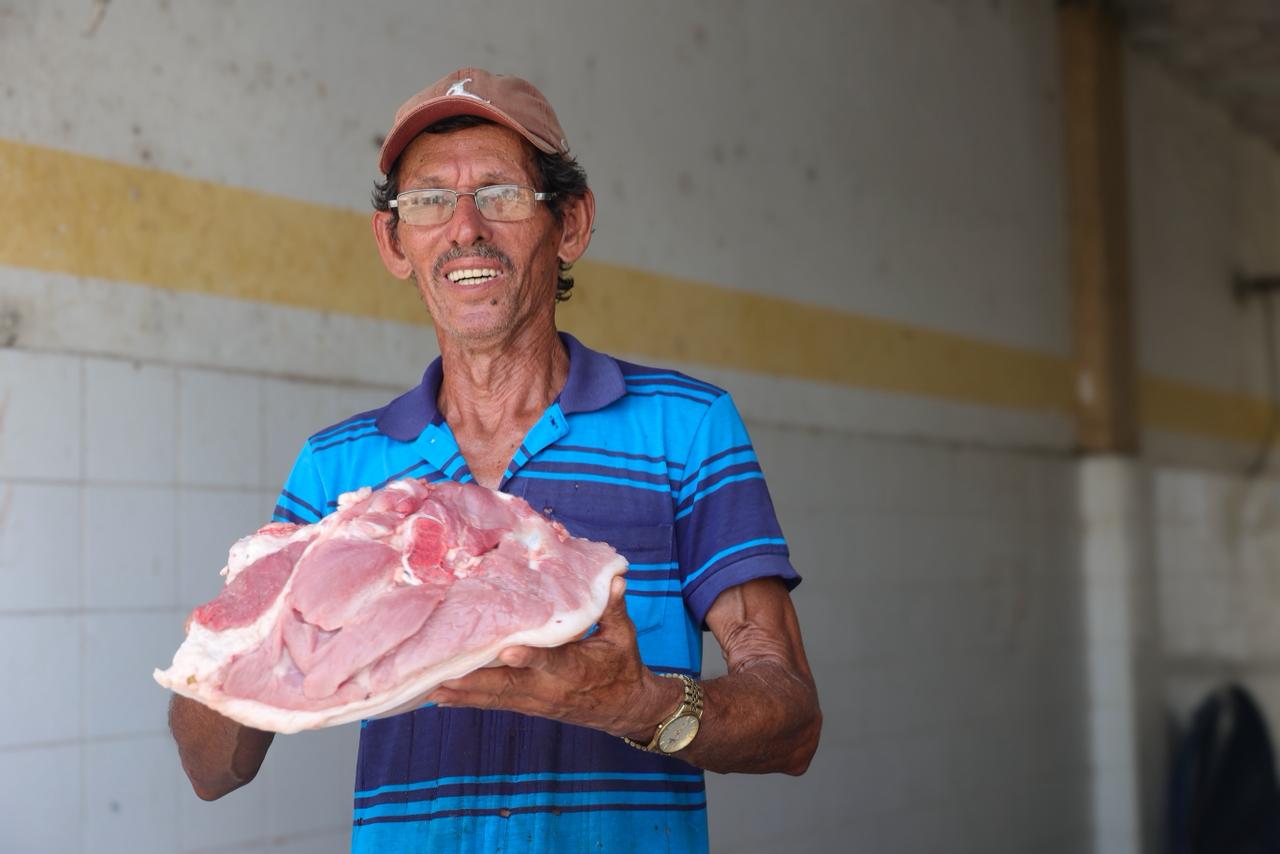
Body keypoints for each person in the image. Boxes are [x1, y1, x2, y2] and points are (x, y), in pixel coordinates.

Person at [168, 67, 821, 853]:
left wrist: (637, 703)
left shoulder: (684, 429)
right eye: (428, 201)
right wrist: (235, 637)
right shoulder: (338, 468)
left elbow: (791, 724)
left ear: (570, 223)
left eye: (502, 193)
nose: (464, 227)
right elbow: (213, 773)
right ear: (394, 240)